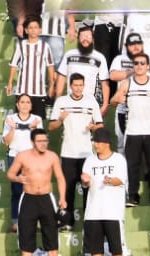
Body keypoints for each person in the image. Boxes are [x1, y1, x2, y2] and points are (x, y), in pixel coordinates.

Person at [6, 127, 69, 256]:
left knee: (51, 234)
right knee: (26, 234)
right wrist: (18, 179)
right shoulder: (22, 156)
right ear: (33, 142)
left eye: (45, 140)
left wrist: (62, 198)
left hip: (47, 198)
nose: (43, 144)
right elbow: (10, 174)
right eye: (40, 141)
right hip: (28, 198)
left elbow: (60, 178)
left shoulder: (52, 157)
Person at [112, 53, 150, 207]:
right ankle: (133, 196)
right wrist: (118, 99)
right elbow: (113, 100)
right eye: (136, 63)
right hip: (133, 131)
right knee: (132, 165)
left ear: (148, 66)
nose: (139, 66)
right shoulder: (126, 83)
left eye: (142, 63)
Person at [48, 71, 103, 227]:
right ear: (70, 86)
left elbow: (100, 125)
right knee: (68, 189)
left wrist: (93, 127)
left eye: (80, 85)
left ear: (84, 86)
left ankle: (89, 221)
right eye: (75, 85)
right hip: (68, 152)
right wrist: (61, 119)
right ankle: (67, 222)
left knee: (88, 188)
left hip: (86, 153)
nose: (78, 88)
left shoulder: (91, 101)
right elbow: (51, 126)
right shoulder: (61, 101)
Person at [81, 128, 127, 256]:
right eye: (94, 141)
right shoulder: (90, 160)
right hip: (94, 209)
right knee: (95, 245)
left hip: (112, 210)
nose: (95, 145)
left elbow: (121, 180)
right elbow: (85, 182)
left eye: (98, 142)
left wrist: (110, 180)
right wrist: (85, 181)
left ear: (106, 143)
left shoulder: (118, 159)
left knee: (115, 244)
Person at [1, 93, 43, 233]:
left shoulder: (37, 119)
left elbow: (39, 142)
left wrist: (32, 129)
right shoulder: (10, 119)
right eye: (22, 102)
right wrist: (13, 128)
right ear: (17, 105)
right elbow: (6, 141)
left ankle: (33, 223)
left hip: (32, 159)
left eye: (27, 102)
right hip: (15, 157)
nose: (25, 105)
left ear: (31, 105)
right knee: (17, 191)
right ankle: (16, 223)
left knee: (34, 192)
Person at [7, 16, 54, 120]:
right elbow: (14, 64)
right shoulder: (21, 45)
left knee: (37, 123)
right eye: (30, 28)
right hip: (22, 91)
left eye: (36, 27)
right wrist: (10, 82)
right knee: (21, 121)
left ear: (40, 30)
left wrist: (51, 84)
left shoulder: (45, 46)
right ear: (26, 30)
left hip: (39, 91)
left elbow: (50, 66)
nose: (33, 30)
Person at [54, 24, 109, 110]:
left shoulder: (100, 58)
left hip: (89, 104)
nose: (85, 39)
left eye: (88, 36)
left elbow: (104, 82)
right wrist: (58, 100)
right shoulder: (69, 55)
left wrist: (105, 104)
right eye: (82, 37)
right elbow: (61, 77)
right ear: (78, 39)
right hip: (70, 103)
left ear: (93, 39)